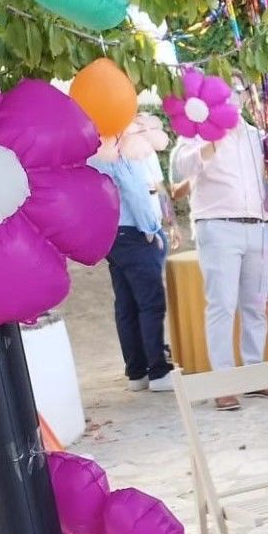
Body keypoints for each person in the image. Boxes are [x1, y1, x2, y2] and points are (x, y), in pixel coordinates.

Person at [170, 90, 268, 412]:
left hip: (258, 224)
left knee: (255, 304)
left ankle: (254, 373)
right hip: (218, 224)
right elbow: (181, 168)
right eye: (228, 93)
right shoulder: (198, 132)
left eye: (239, 92)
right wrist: (212, 141)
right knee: (222, 303)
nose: (235, 99)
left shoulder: (256, 135)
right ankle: (224, 382)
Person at [90, 151, 174, 393]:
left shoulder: (96, 151)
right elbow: (134, 190)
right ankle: (158, 371)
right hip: (134, 231)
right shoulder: (121, 149)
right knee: (150, 304)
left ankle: (137, 372)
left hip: (112, 233)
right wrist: (150, 227)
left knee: (126, 304)